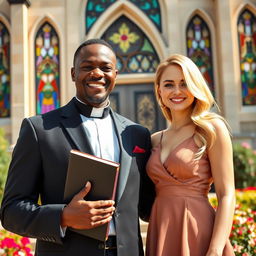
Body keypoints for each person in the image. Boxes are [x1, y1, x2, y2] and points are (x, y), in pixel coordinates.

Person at [0, 39, 155, 256]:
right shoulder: (40, 130)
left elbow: (148, 207)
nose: (97, 73)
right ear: (73, 73)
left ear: (115, 75)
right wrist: (63, 216)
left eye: (105, 68)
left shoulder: (137, 134)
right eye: (87, 67)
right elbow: (11, 213)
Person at [145, 54, 235, 256]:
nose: (177, 91)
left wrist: (215, 248)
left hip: (198, 230)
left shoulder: (211, 129)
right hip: (161, 229)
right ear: (159, 90)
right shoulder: (154, 140)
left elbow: (226, 194)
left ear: (195, 87)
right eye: (169, 85)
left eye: (184, 83)